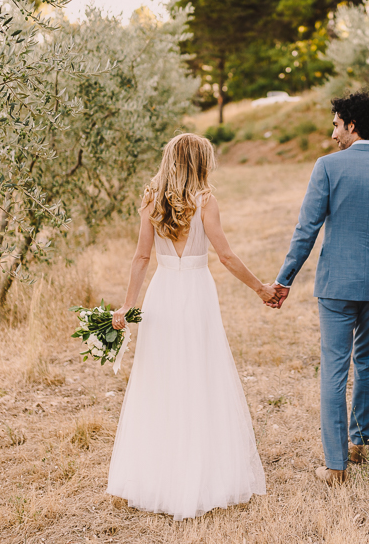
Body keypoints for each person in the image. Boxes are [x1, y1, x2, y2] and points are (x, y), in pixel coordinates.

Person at [106, 133, 273, 520]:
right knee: (200, 374)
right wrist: (261, 289)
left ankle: (161, 473)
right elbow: (226, 255)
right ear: (199, 162)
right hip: (196, 292)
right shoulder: (205, 201)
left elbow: (141, 257)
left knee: (161, 378)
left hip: (163, 293)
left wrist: (128, 305)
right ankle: (200, 470)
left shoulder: (151, 199)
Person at [269, 91, 369, 484]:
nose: (332, 134)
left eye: (336, 124)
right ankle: (359, 443)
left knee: (334, 369)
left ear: (352, 125)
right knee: (366, 362)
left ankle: (335, 467)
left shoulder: (328, 168)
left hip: (336, 284)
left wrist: (285, 279)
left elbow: (307, 229)